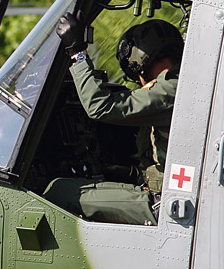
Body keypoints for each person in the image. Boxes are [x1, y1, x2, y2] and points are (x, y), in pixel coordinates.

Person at [44, 14, 184, 225]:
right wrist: (135, 174)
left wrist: (78, 54)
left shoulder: (171, 88)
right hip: (172, 196)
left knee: (60, 191)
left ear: (138, 61)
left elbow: (99, 105)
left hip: (168, 205)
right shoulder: (181, 81)